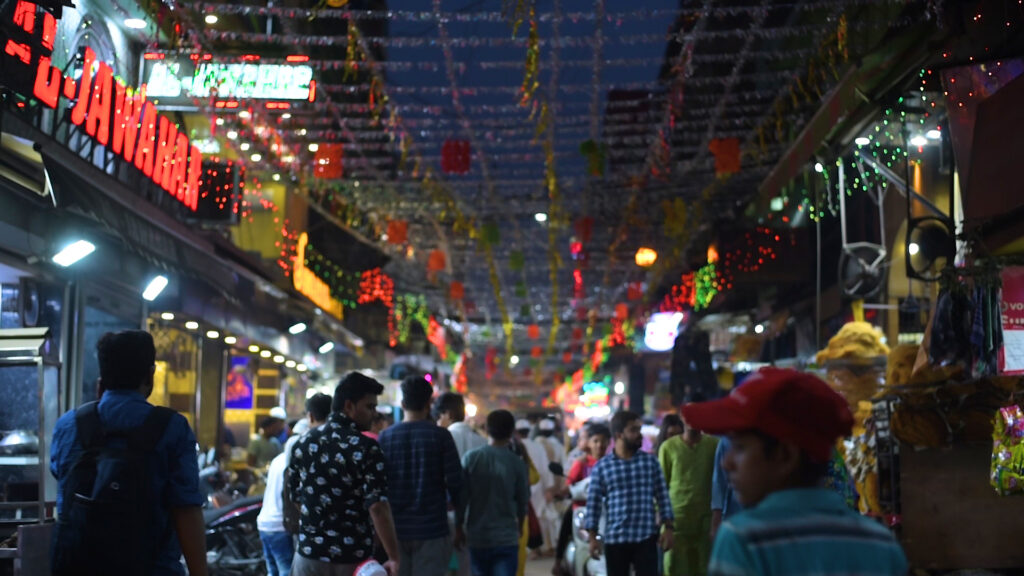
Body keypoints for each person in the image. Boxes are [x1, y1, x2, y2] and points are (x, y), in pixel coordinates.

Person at [681, 368, 908, 575]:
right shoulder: (881, 544)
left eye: (740, 448)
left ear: (786, 455)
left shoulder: (743, 540)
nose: (726, 463)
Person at [49, 330, 207, 576]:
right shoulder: (172, 427)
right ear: (150, 374)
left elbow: (63, 485)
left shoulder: (69, 425)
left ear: (102, 375)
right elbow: (185, 509)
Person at [288, 372, 401, 576]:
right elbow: (377, 506)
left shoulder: (302, 443)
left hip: (308, 558)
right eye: (370, 406)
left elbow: (296, 498)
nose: (374, 413)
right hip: (351, 561)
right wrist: (393, 556)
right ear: (349, 406)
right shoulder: (367, 448)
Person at [378, 377, 465, 576]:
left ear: (402, 404)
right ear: (429, 403)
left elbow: (378, 488)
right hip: (432, 530)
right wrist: (459, 525)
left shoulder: (385, 437)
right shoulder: (441, 436)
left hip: (395, 531)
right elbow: (456, 484)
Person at [586, 411, 674, 576]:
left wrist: (668, 528)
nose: (639, 435)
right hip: (615, 541)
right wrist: (592, 539)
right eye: (633, 430)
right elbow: (593, 505)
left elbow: (663, 497)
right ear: (619, 435)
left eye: (639, 430)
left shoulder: (650, 463)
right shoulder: (602, 467)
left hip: (646, 539)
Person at [259, 394, 332, 576]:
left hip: (265, 523)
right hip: (279, 525)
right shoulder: (297, 459)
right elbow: (294, 497)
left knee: (273, 572)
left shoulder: (278, 459)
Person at [462, 410, 530, 576]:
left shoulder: (471, 458)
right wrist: (520, 527)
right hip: (506, 537)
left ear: (486, 428)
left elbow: (461, 498)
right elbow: (523, 501)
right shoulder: (517, 463)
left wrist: (458, 527)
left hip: (477, 536)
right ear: (511, 431)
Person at [659, 395, 718, 576]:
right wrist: (663, 523)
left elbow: (721, 487)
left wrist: (717, 520)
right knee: (674, 569)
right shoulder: (668, 448)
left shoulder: (715, 446)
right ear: (682, 415)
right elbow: (660, 488)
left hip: (706, 523)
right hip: (676, 522)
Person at [433, 392, 487, 576]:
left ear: (447, 413)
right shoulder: (482, 441)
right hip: (478, 514)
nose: (438, 422)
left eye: (439, 417)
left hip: (448, 516)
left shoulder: (442, 438)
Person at [551, 423, 610, 576]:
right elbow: (568, 485)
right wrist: (562, 492)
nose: (600, 445)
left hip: (605, 511)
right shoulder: (581, 463)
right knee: (566, 520)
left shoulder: (611, 463)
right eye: (596, 441)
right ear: (589, 443)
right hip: (582, 510)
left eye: (603, 441)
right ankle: (558, 561)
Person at [515, 419, 553, 558]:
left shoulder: (514, 446)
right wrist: (548, 488)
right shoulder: (537, 446)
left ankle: (530, 549)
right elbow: (544, 469)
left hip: (521, 489)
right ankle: (536, 548)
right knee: (537, 518)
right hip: (537, 487)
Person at [709, 437, 743, 542]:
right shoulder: (726, 441)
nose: (726, 463)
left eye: (741, 449)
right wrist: (716, 519)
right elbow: (719, 481)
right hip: (734, 512)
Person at [435, 392, 487, 459]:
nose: (437, 423)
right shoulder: (483, 441)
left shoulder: (442, 440)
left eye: (439, 418)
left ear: (448, 414)